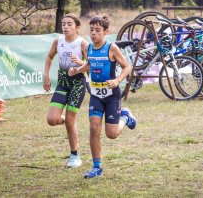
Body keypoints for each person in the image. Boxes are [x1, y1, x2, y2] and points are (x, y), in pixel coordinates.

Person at [68, 15, 136, 178]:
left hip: (112, 96)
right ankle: (96, 167)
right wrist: (77, 70)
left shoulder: (112, 48)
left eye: (97, 30)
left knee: (111, 134)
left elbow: (127, 66)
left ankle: (125, 117)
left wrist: (117, 80)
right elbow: (89, 64)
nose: (93, 33)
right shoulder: (89, 48)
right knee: (93, 128)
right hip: (96, 95)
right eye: (91, 30)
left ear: (106, 32)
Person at [43, 14, 89, 168]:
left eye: (69, 24)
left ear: (77, 27)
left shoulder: (83, 44)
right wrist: (46, 76)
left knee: (70, 121)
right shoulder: (58, 41)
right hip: (62, 83)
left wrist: (80, 63)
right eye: (63, 24)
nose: (65, 27)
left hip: (77, 84)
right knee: (52, 120)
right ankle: (67, 120)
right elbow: (49, 57)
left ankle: (75, 156)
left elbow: (90, 65)